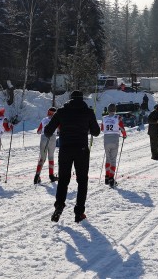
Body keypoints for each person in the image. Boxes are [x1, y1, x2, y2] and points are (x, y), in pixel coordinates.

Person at [44, 90, 100, 223]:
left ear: (70, 99)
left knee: (63, 180)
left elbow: (47, 131)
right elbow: (96, 132)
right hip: (81, 150)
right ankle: (79, 212)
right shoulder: (88, 111)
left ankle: (59, 206)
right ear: (82, 99)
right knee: (82, 181)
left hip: (65, 149)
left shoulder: (62, 111)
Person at [101, 103, 127, 187]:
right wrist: (124, 135)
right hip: (114, 139)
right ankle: (111, 179)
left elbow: (102, 129)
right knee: (113, 159)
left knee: (108, 158)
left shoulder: (104, 118)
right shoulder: (118, 118)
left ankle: (106, 177)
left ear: (108, 110)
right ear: (115, 110)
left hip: (106, 139)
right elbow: (122, 128)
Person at [34, 106, 59, 184]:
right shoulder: (56, 119)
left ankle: (37, 176)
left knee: (42, 158)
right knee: (51, 157)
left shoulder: (44, 119)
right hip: (52, 137)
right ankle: (51, 176)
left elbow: (38, 131)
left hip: (43, 137)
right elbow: (60, 130)